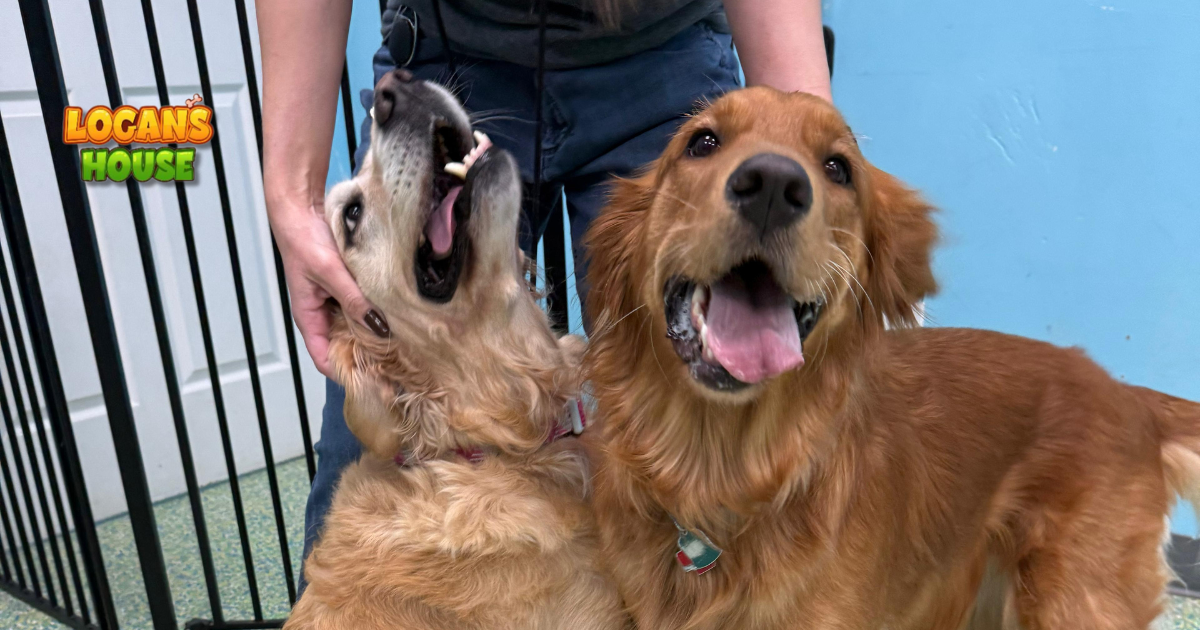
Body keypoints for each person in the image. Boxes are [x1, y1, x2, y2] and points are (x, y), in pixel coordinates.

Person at [256, 0, 832, 592]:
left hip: (664, 62)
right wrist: (291, 193)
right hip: (446, 51)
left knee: (729, 481)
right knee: (360, 461)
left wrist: (809, 156)